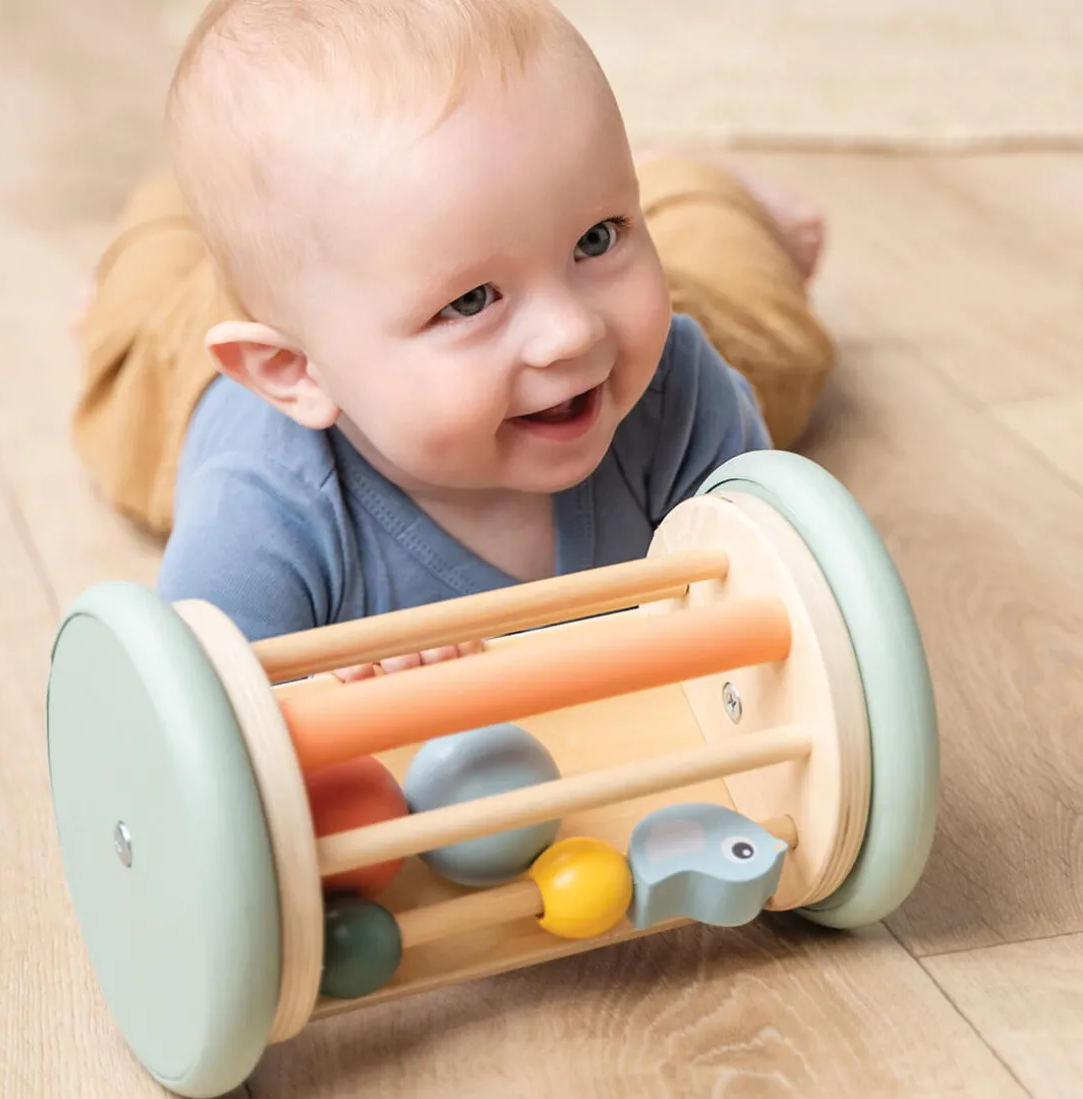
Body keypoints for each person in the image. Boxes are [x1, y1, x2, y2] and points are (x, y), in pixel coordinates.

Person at [72, 0, 834, 679]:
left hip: (406, 265)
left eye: (599, 235)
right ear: (294, 368)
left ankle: (686, 185)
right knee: (141, 299)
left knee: (770, 337)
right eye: (470, 301)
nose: (571, 332)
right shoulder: (257, 511)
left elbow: (781, 606)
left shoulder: (669, 388)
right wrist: (342, 722)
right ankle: (167, 209)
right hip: (185, 359)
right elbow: (196, 732)